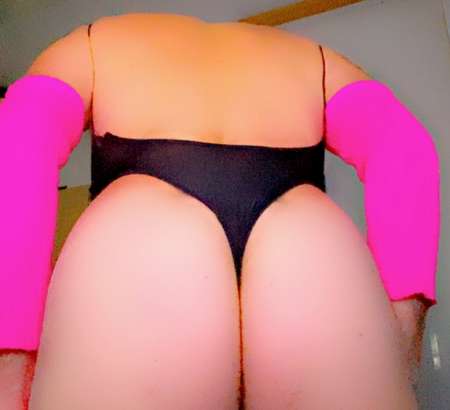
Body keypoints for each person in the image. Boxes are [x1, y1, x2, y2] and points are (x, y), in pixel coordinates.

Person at [0, 12, 439, 410]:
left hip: (145, 235)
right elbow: (405, 149)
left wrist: (10, 366)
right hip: (305, 242)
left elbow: (19, 139)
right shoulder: (319, 59)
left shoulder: (94, 41)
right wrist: (402, 335)